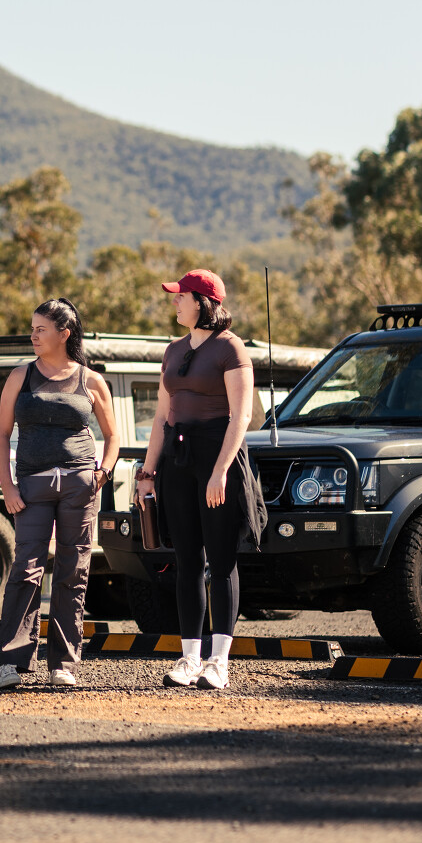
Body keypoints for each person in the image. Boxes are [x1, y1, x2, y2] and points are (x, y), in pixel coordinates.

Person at [136, 269, 264, 692]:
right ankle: (190, 659)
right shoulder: (173, 350)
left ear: (202, 302)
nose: (175, 302)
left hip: (217, 455)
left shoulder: (231, 348)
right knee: (187, 561)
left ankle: (218, 663)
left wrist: (221, 471)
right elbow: (162, 416)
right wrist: (147, 473)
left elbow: (241, 416)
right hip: (178, 458)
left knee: (222, 561)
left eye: (181, 296)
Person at [0, 297, 119, 689]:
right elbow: (2, 435)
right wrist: (8, 487)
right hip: (31, 486)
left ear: (64, 334)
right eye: (32, 328)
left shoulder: (91, 380)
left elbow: (112, 436)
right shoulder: (21, 376)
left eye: (41, 329)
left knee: (72, 571)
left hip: (79, 487)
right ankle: (10, 662)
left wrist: (102, 472)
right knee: (26, 568)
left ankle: (63, 663)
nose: (33, 335)